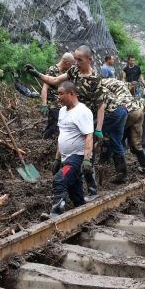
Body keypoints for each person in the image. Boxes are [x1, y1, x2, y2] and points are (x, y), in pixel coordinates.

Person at [27, 46, 105, 197]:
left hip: (87, 120)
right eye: (75, 59)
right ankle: (73, 190)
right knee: (70, 152)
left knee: (87, 157)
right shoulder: (74, 71)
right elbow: (55, 80)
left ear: (89, 60)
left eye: (80, 60)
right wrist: (37, 74)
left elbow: (101, 105)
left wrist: (99, 128)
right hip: (71, 116)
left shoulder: (95, 79)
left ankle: (92, 190)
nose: (76, 63)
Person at [51, 81, 94, 215]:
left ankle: (56, 212)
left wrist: (86, 159)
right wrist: (57, 159)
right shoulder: (62, 111)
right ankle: (84, 216)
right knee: (76, 195)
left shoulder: (83, 112)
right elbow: (62, 135)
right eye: (58, 94)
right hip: (66, 158)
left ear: (72, 94)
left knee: (59, 179)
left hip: (77, 157)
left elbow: (89, 136)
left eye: (61, 94)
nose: (58, 97)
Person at [98, 77, 133, 183]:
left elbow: (101, 107)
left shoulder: (98, 86)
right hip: (124, 109)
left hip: (114, 111)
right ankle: (122, 175)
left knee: (93, 135)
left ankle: (99, 166)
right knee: (116, 141)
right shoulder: (117, 82)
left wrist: (98, 128)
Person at [40, 53, 74, 140]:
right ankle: (45, 138)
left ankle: (48, 138)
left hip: (62, 103)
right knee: (56, 122)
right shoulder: (52, 70)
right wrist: (44, 104)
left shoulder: (66, 73)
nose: (70, 67)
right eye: (70, 65)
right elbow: (45, 88)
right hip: (53, 102)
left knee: (55, 123)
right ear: (67, 63)